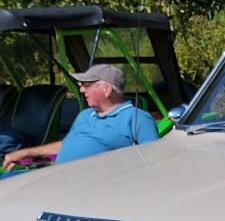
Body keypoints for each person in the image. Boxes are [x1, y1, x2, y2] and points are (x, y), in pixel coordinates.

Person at [1, 64, 158, 171]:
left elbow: (155, 161)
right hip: (54, 176)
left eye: (87, 85)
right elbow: (65, 145)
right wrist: (25, 153)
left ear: (107, 89)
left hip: (92, 186)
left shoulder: (136, 118)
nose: (82, 90)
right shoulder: (85, 115)